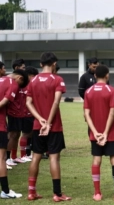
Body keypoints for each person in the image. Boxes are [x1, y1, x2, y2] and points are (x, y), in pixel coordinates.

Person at [26, 52, 71, 201]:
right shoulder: (57, 79)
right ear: (54, 64)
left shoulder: (33, 81)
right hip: (54, 126)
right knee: (54, 158)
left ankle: (31, 192)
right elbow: (56, 102)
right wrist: (49, 123)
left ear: (40, 64)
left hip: (37, 125)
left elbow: (28, 103)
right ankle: (57, 194)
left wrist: (40, 120)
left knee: (35, 157)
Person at [84, 65, 114, 201]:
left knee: (96, 160)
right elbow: (112, 113)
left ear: (95, 76)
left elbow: (86, 114)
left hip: (95, 134)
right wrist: (104, 133)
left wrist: (96, 132)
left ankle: (97, 193)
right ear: (107, 75)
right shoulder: (112, 90)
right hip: (111, 133)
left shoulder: (88, 91)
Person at [78, 58, 114, 152]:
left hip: (103, 103)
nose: (95, 67)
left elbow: (107, 88)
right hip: (90, 103)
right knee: (91, 121)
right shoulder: (84, 77)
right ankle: (95, 141)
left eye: (97, 66)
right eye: (94, 66)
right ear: (89, 65)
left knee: (108, 119)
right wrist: (89, 100)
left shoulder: (108, 86)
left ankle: (111, 141)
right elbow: (81, 91)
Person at [0, 69, 28, 199]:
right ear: (19, 78)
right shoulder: (13, 83)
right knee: (1, 159)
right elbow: (5, 101)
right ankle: (5, 191)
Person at [6, 59, 30, 167]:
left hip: (20, 113)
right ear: (16, 68)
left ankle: (13, 157)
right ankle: (6, 158)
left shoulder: (21, 84)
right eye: (23, 67)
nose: (24, 70)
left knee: (17, 135)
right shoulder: (10, 82)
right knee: (12, 135)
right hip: (12, 113)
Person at [20, 67, 39, 163]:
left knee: (30, 133)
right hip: (25, 114)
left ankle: (27, 153)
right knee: (25, 134)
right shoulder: (24, 86)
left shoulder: (31, 85)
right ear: (30, 76)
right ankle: (23, 155)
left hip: (32, 113)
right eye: (34, 76)